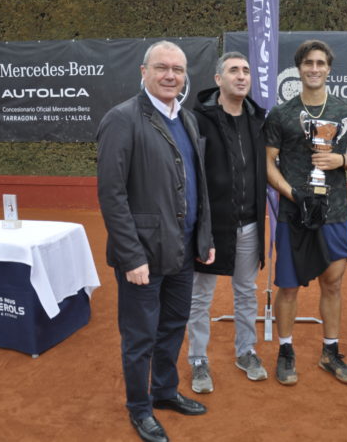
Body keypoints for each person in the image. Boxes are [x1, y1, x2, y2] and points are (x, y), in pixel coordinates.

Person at [97, 40, 215, 442]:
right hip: (142, 258)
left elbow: (198, 184)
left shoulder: (187, 118)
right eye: (162, 68)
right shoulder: (122, 119)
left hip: (181, 252)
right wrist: (131, 257)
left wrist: (205, 236)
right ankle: (139, 407)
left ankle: (164, 392)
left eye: (178, 70)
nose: (170, 76)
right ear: (143, 72)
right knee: (140, 337)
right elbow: (112, 196)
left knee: (172, 328)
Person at [264, 39, 347, 385]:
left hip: (334, 211)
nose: (314, 68)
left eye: (321, 63)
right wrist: (292, 194)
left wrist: (340, 160)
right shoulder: (281, 113)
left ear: (329, 69)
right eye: (308, 63)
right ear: (299, 68)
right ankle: (286, 351)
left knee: (332, 284)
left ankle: (330, 352)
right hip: (294, 214)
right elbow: (268, 164)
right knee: (289, 286)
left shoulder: (346, 110)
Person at [186, 51, 268, 393]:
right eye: (233, 70)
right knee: (200, 297)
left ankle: (245, 351)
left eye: (246, 71)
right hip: (210, 228)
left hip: (249, 224)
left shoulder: (258, 119)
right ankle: (197, 360)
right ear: (218, 79)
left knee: (246, 292)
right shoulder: (196, 119)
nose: (241, 76)